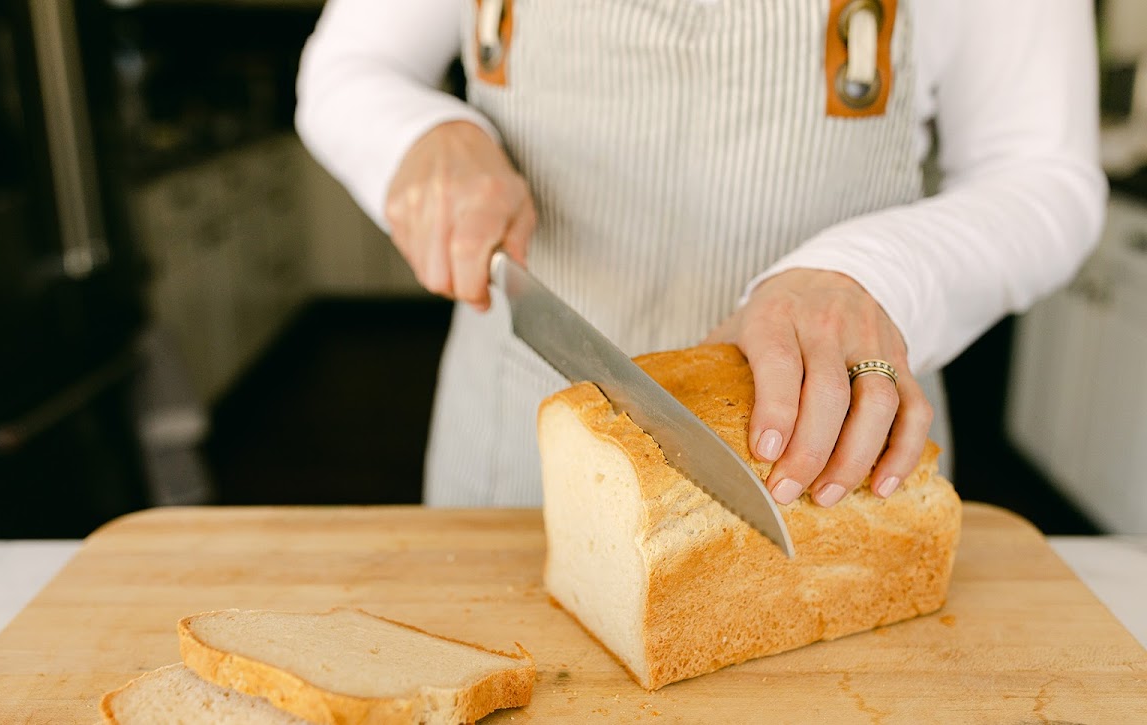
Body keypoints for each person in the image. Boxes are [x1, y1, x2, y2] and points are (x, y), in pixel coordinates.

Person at [295, 0, 1106, 509]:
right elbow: (351, 64)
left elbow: (1043, 174)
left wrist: (872, 271)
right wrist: (423, 136)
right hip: (516, 449)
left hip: (823, 465)